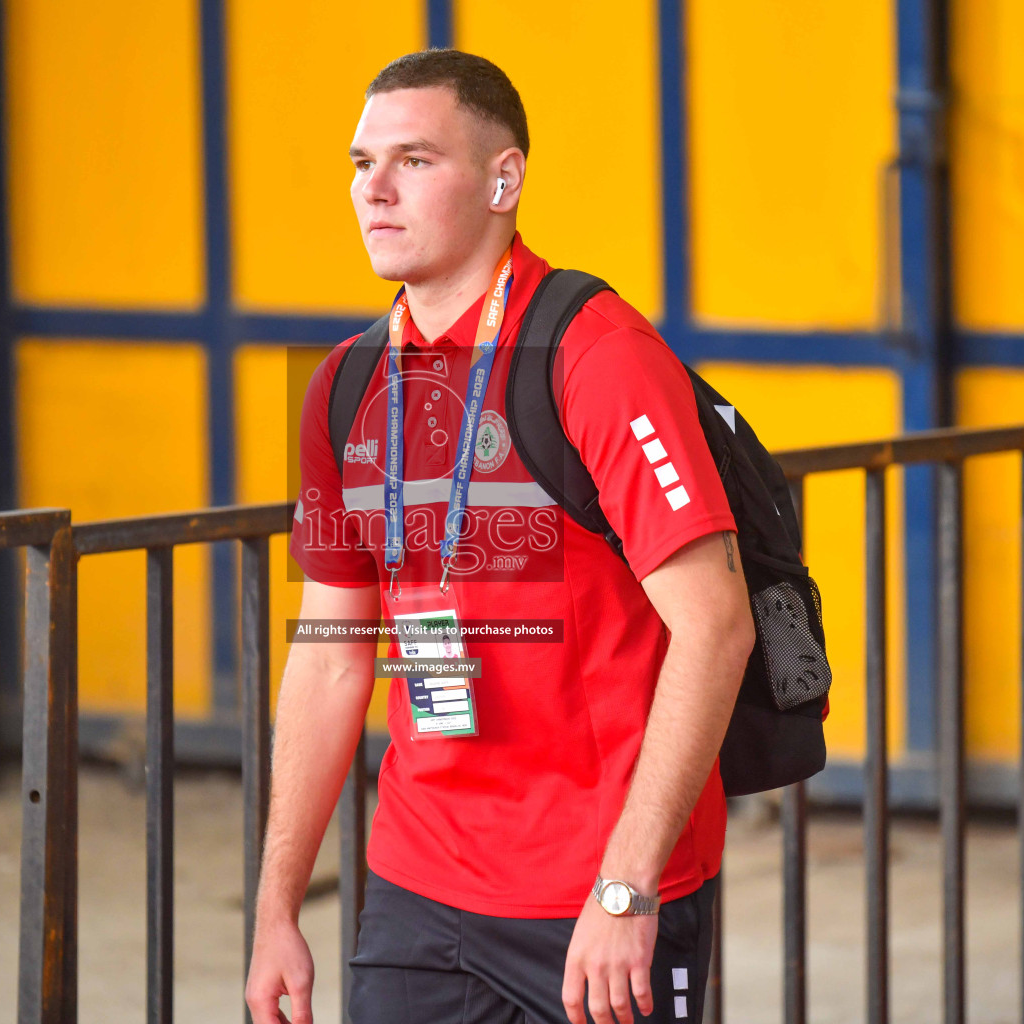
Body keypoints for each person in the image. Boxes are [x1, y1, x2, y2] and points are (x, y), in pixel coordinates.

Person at [245, 49, 754, 1024]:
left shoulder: (597, 355)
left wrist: (626, 888)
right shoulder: (346, 385)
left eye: (415, 161)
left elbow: (717, 625)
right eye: (361, 163)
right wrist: (276, 907)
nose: (374, 190)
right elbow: (330, 660)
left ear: (503, 179)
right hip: (416, 888)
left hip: (597, 898)